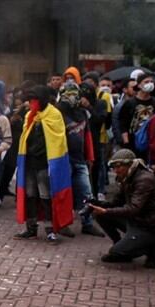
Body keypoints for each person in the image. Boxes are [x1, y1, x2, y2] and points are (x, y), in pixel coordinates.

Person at [90, 149, 155, 268]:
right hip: (137, 220)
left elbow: (133, 209)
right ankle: (122, 246)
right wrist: (97, 204)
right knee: (101, 215)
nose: (116, 170)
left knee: (116, 251)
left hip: (151, 226)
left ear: (129, 164)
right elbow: (117, 202)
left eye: (119, 166)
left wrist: (106, 211)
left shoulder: (144, 180)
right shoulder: (128, 177)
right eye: (114, 167)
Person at [14, 85, 73, 243]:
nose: (31, 103)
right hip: (29, 163)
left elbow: (57, 139)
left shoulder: (54, 114)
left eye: (34, 100)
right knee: (30, 195)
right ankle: (31, 228)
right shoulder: (30, 115)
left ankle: (50, 230)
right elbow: (25, 137)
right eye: (30, 100)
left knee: (46, 196)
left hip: (46, 164)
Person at [57, 82, 104, 237]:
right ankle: (63, 224)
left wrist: (90, 157)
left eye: (74, 93)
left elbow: (87, 136)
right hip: (63, 160)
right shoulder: (57, 113)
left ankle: (87, 223)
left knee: (87, 193)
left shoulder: (82, 113)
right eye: (68, 93)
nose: (72, 96)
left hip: (80, 159)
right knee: (64, 195)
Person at [119, 74, 155, 158]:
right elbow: (123, 124)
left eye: (151, 82)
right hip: (133, 141)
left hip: (149, 141)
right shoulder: (130, 103)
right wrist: (126, 142)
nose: (150, 84)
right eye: (146, 82)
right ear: (139, 85)